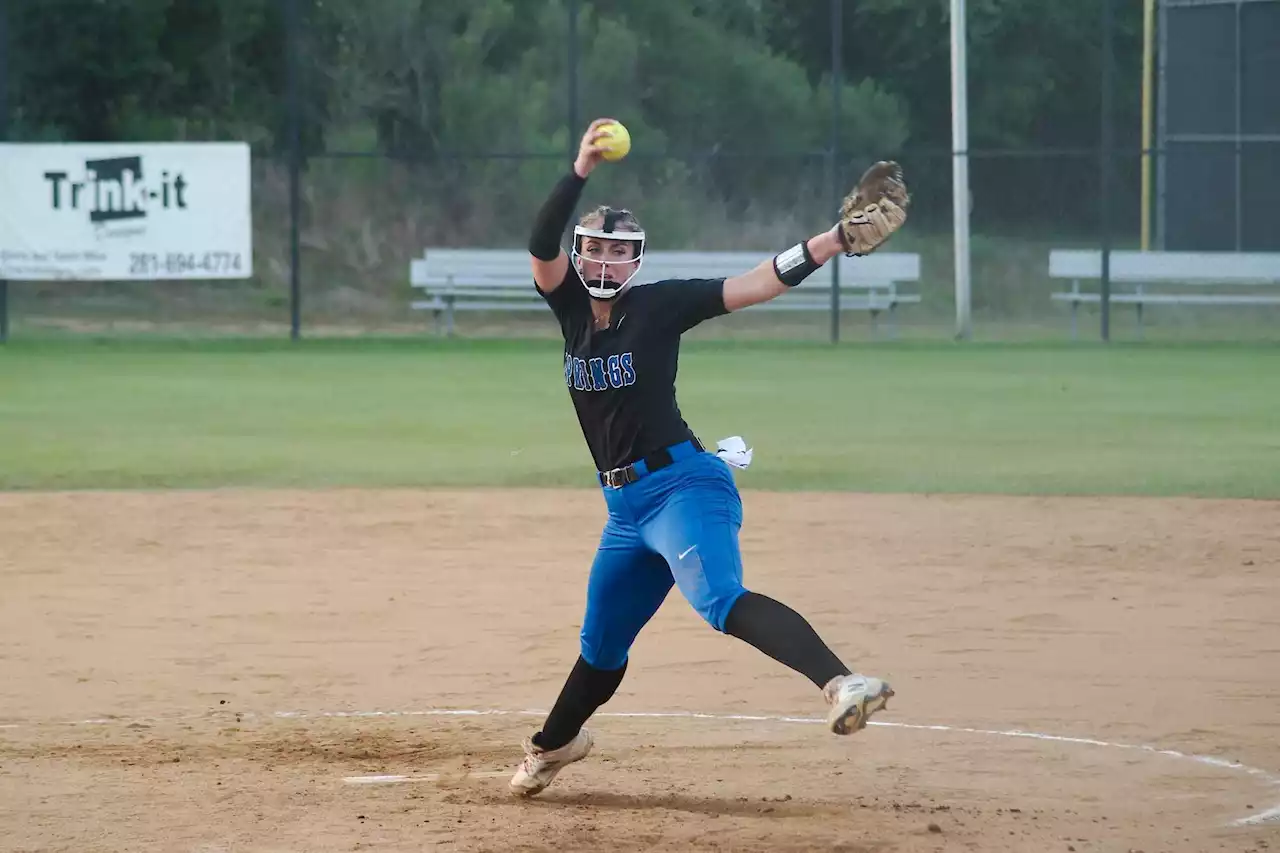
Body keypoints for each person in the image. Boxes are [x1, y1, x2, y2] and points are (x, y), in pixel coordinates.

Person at [509, 117, 906, 797]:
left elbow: (756, 283)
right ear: (580, 256)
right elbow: (541, 241)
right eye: (594, 250)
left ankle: (843, 682)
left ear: (637, 261)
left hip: (684, 487)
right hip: (625, 510)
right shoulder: (571, 311)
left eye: (618, 253)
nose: (604, 263)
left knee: (719, 599)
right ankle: (554, 745)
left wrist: (834, 241)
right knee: (600, 646)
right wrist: (578, 169)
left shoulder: (661, 306)